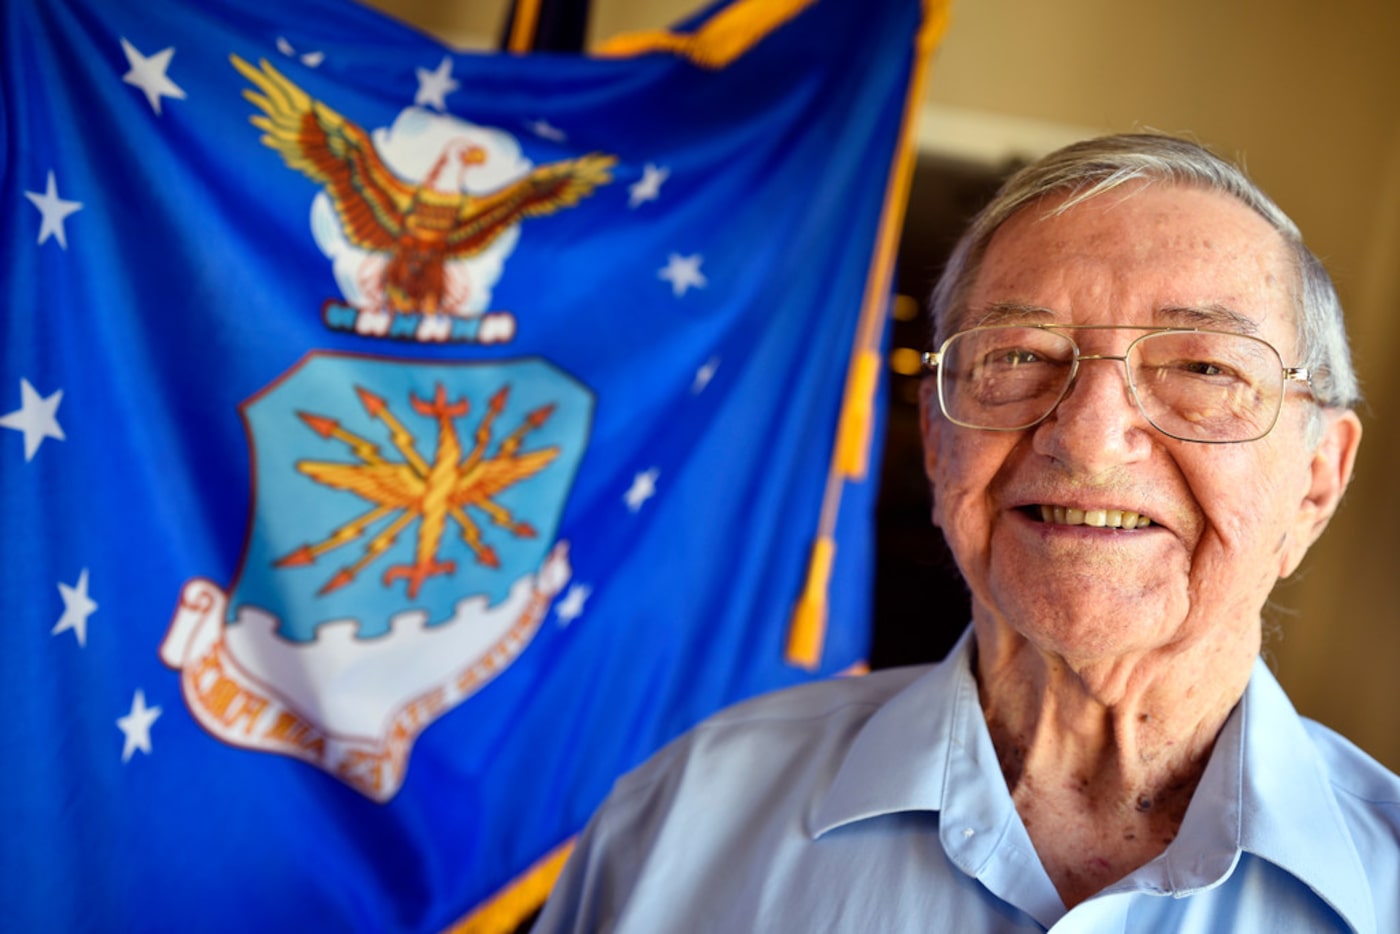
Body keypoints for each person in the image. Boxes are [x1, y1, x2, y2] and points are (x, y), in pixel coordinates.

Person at [533, 133, 1399, 932]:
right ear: (939, 443)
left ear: (1318, 479)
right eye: (1018, 355)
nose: (1089, 439)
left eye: (1205, 367)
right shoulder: (685, 815)